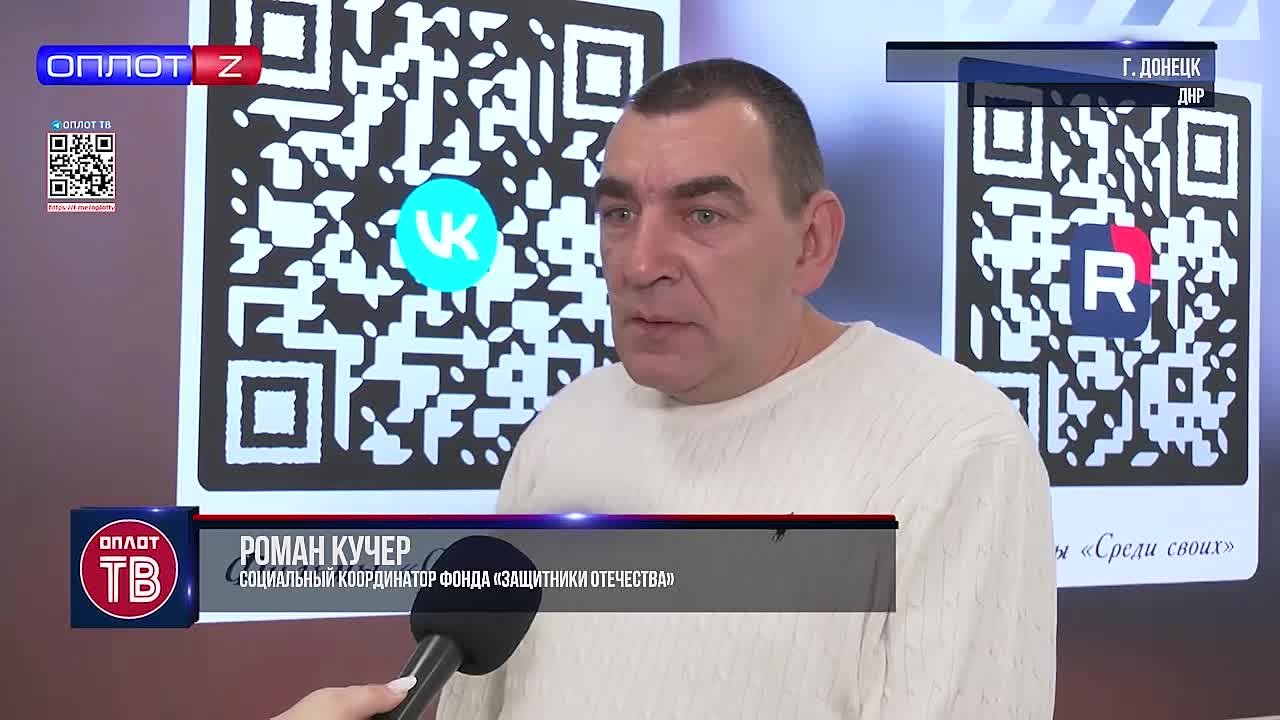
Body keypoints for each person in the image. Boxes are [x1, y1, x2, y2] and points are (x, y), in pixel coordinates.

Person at [274, 58, 1057, 720]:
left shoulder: (950, 447)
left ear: (811, 243)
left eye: (704, 215)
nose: (640, 262)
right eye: (619, 212)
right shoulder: (565, 429)